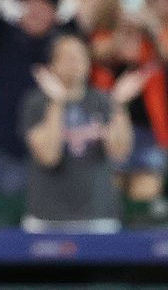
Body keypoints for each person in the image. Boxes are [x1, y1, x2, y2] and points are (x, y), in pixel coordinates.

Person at [21, 33, 141, 233]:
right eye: (67, 57)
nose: (74, 62)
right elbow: (49, 156)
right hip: (47, 219)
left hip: (98, 217)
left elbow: (119, 152)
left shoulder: (103, 102)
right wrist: (58, 103)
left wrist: (118, 105)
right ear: (53, 64)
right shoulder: (36, 103)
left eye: (80, 56)